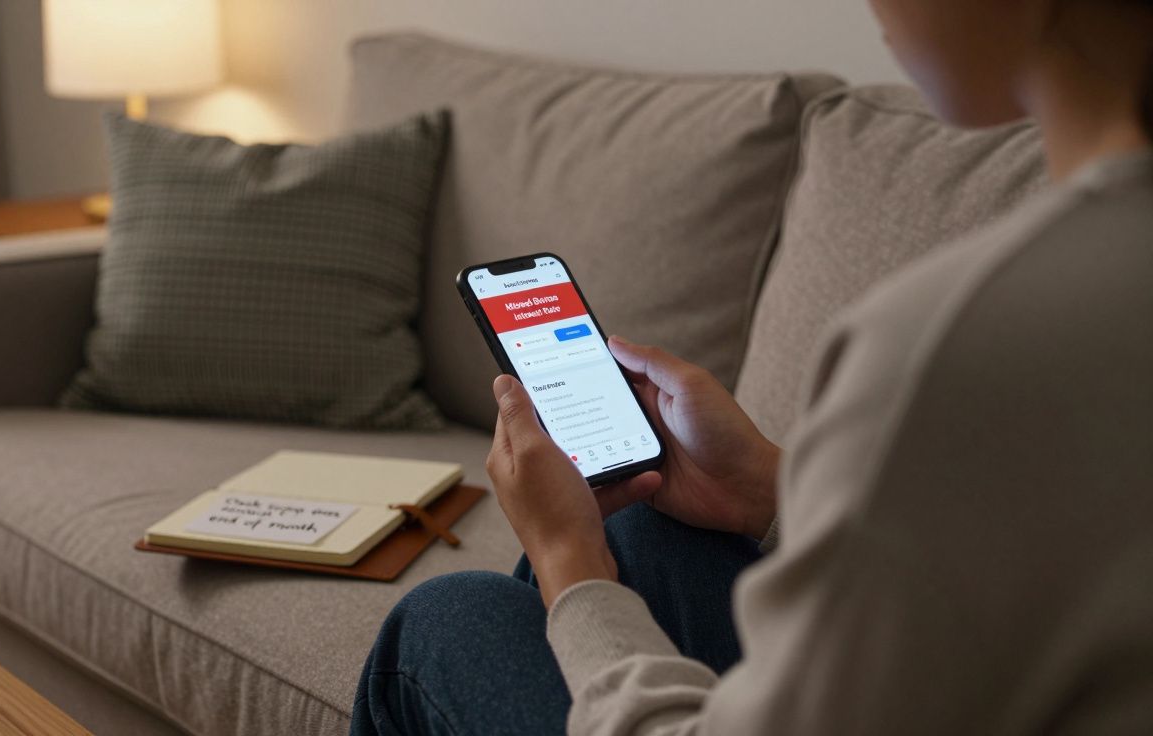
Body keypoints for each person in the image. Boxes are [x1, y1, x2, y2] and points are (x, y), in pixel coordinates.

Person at [351, 0, 1153, 733]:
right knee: (647, 525)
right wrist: (774, 490)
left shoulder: (951, 340)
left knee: (443, 621)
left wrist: (570, 565)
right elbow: (1003, 570)